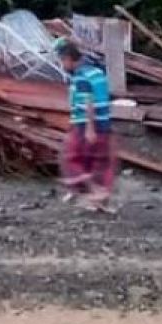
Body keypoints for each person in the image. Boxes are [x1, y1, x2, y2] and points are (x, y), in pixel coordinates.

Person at [54, 38, 116, 212]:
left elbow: (88, 101)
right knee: (98, 161)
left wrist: (89, 128)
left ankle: (94, 191)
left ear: (68, 58)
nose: (62, 65)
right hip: (104, 122)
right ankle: (98, 198)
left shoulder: (81, 76)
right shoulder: (98, 72)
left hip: (85, 124)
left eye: (62, 61)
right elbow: (104, 97)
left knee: (70, 157)